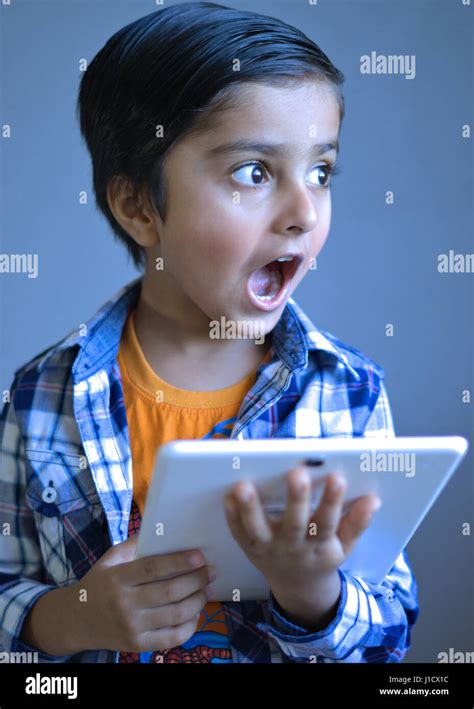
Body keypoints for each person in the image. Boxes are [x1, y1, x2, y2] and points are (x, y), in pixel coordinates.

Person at [0, 2, 419, 664]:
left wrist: (313, 592)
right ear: (139, 206)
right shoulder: (42, 397)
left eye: (321, 171)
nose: (304, 211)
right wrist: (75, 614)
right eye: (254, 172)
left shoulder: (349, 393)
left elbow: (391, 633)